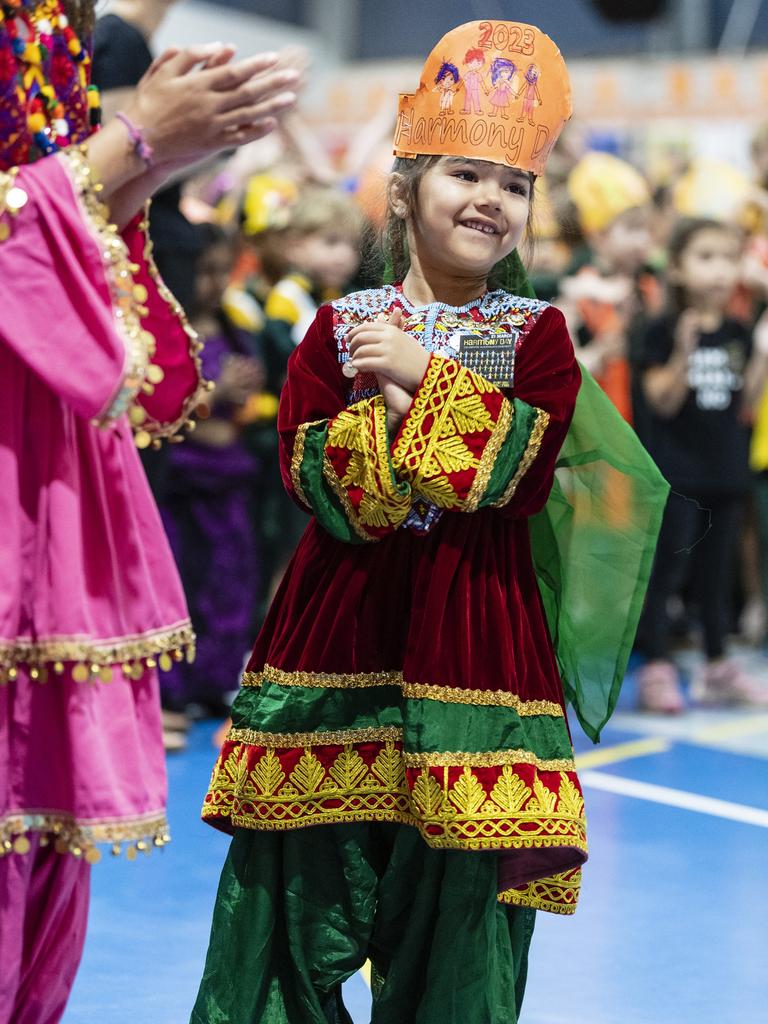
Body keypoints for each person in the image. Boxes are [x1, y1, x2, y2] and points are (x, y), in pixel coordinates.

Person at [191, 21, 666, 1024]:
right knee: (293, 917)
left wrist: (413, 376)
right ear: (405, 187)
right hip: (337, 646)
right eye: (465, 174)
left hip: (478, 655)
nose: (492, 201)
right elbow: (324, 484)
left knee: (465, 930)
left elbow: (520, 475)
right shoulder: (333, 328)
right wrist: (427, 422)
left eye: (514, 184)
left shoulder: (538, 339)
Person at [0, 2, 299, 1018]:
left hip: (46, 455)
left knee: (40, 840)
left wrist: (153, 156)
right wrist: (132, 140)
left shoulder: (52, 23)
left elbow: (50, 210)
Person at [634, 217, 768, 712]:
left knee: (717, 577)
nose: (719, 270)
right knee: (668, 571)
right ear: (678, 270)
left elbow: (746, 405)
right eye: (705, 258)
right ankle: (657, 666)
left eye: (728, 258)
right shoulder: (662, 329)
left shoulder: (738, 330)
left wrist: (761, 356)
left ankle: (716, 665)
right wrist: (683, 353)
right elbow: (662, 402)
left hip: (726, 472)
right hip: (679, 476)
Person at [160, 223, 265, 729]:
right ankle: (171, 690)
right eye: (204, 272)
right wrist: (214, 395)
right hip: (183, 481)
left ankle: (214, 681)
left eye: (224, 271)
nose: (215, 283)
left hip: (229, 478)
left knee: (230, 579)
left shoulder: (234, 329)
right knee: (183, 579)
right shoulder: (172, 335)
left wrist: (246, 400)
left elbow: (242, 409)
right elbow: (162, 407)